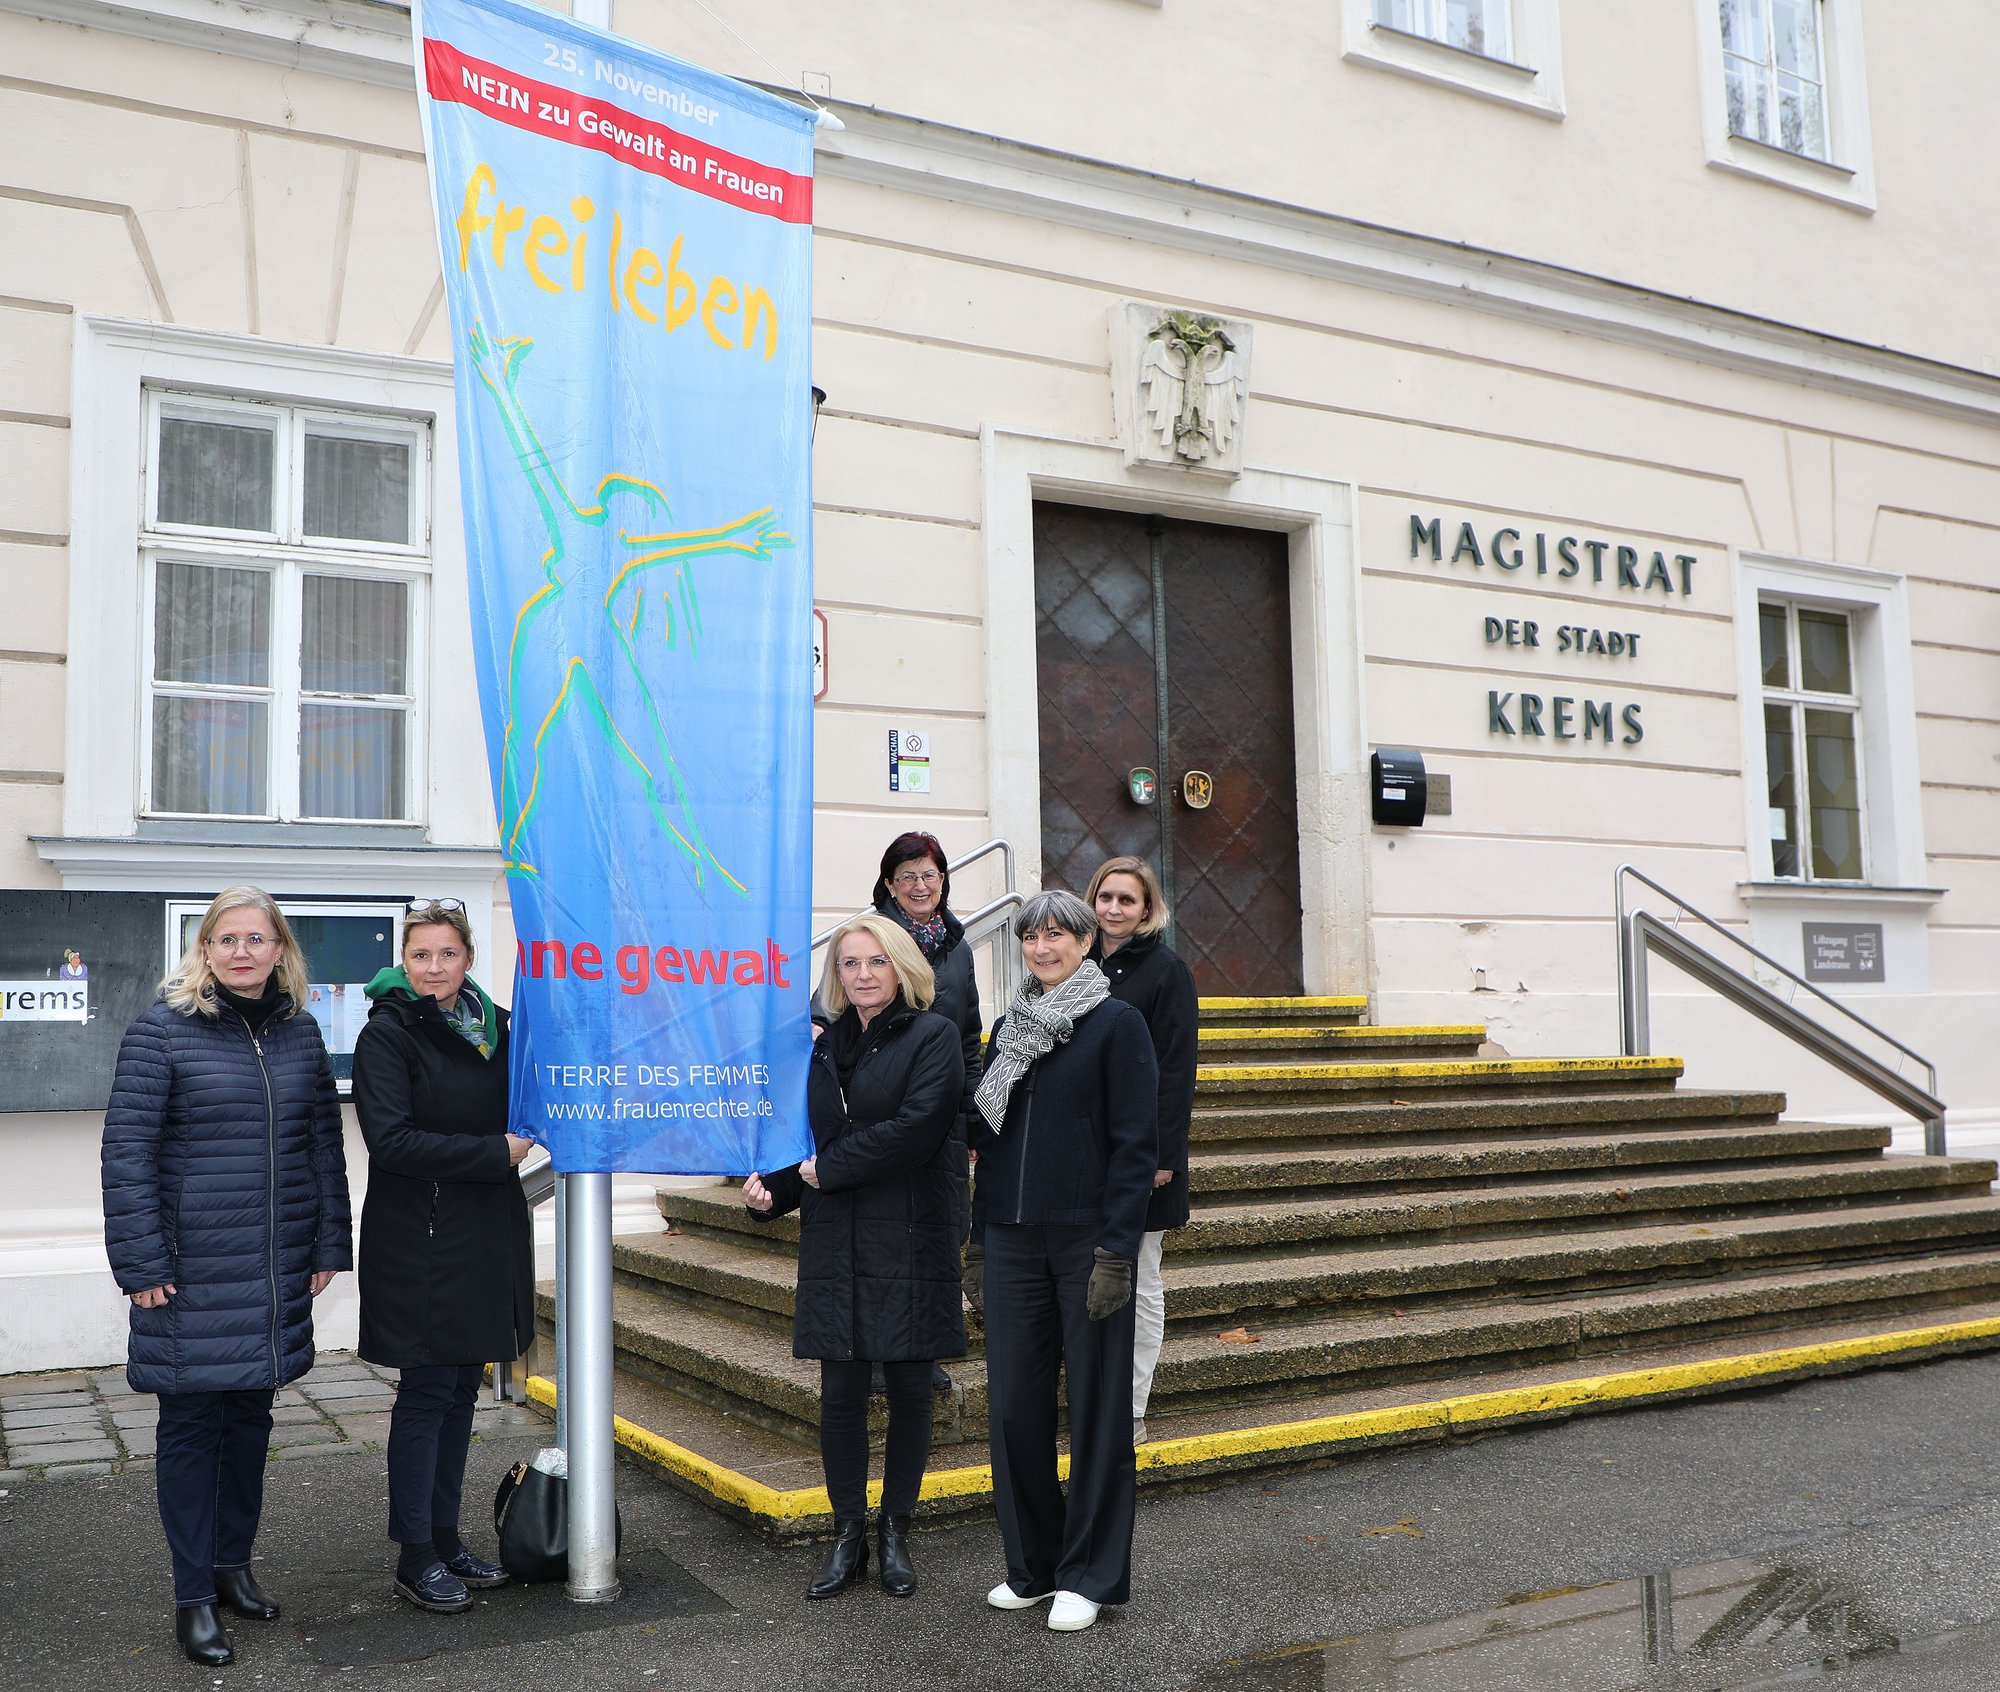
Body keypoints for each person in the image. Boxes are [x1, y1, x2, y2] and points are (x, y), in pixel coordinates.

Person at [102, 886, 352, 1667]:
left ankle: (232, 1566)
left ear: (281, 950)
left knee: (250, 1424)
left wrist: (327, 1246)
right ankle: (193, 1599)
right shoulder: (161, 1032)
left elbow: (322, 1149)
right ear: (204, 950)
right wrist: (140, 1263)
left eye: (258, 938)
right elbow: (126, 1156)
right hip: (188, 1275)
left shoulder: (301, 1034)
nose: (242, 952)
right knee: (190, 1430)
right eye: (227, 939)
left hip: (274, 1267)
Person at [743, 913, 967, 1600]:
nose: (862, 974)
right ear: (835, 975)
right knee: (840, 1392)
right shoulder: (819, 1048)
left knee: (908, 1387)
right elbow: (803, 1139)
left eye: (875, 961)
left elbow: (914, 1131)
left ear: (901, 967)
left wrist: (819, 1173)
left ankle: (896, 1531)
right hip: (836, 1231)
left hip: (908, 1230)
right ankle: (848, 1537)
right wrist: (773, 1189)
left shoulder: (935, 1035)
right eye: (849, 963)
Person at [972, 889, 1158, 1635]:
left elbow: (1135, 1149)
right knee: (1015, 1408)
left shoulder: (1117, 1025)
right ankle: (1035, 1567)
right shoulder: (1009, 1029)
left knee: (1098, 1410)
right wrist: (979, 1236)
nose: (1042, 948)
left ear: (1085, 944)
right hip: (1013, 1241)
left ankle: (1090, 1574)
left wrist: (1117, 1249)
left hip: (1088, 1243)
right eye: (1030, 937)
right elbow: (985, 1138)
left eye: (1057, 936)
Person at [350, 898, 535, 1614]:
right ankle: (414, 1555)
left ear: (467, 959)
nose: (434, 969)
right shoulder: (389, 1035)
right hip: (421, 1239)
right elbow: (391, 1142)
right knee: (427, 1396)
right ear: (405, 961)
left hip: (484, 1232)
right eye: (421, 955)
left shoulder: (499, 1028)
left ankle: (447, 1539)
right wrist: (495, 1153)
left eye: (448, 955)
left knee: (462, 1392)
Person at [1085, 856, 1199, 1445]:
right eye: (1106, 897)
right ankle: (1090, 1397)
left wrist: (1159, 1156)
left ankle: (1130, 1409)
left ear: (1147, 908)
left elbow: (1176, 1072)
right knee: (1088, 1277)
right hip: (1081, 1153)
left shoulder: (1165, 971)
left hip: (1142, 1156)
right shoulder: (1074, 962)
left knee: (1141, 1278)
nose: (1113, 909)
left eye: (1127, 900)